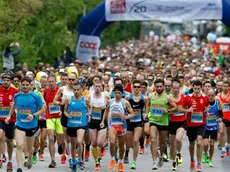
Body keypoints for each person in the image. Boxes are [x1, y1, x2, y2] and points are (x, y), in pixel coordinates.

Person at [5, 76, 45, 172]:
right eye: (23, 85)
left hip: (32, 125)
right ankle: (19, 168)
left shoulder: (35, 96)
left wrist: (33, 115)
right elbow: (14, 105)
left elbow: (43, 109)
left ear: (30, 86)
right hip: (20, 125)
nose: (25, 87)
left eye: (27, 85)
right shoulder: (17, 96)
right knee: (19, 145)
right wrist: (9, 116)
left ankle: (29, 158)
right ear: (20, 85)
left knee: (30, 148)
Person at [100, 84, 134, 172]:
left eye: (119, 93)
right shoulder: (111, 102)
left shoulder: (125, 102)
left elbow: (132, 114)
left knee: (121, 145)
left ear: (121, 93)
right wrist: (103, 121)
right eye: (116, 93)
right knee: (112, 142)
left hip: (122, 125)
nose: (117, 94)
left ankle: (121, 162)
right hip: (112, 125)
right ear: (113, 93)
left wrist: (126, 117)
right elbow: (106, 111)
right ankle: (112, 159)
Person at [148, 78, 177, 170]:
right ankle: (154, 162)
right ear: (155, 87)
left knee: (162, 144)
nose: (159, 88)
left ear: (163, 86)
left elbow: (176, 108)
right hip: (153, 121)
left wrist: (167, 110)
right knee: (153, 139)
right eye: (157, 87)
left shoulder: (168, 98)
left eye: (161, 86)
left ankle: (161, 156)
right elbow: (148, 105)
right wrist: (147, 113)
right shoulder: (151, 96)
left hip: (164, 123)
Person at [124, 79, 148, 170]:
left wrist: (145, 113)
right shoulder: (127, 97)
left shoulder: (144, 98)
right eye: (135, 87)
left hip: (138, 122)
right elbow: (123, 107)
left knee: (135, 140)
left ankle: (134, 161)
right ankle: (126, 153)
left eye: (139, 87)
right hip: (129, 122)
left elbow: (147, 108)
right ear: (132, 87)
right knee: (129, 143)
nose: (137, 88)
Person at [169, 79, 193, 170]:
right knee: (172, 145)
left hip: (182, 122)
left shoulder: (184, 97)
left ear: (180, 88)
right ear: (171, 89)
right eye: (174, 88)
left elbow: (192, 104)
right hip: (172, 122)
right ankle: (174, 161)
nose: (176, 89)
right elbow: (165, 110)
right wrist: (171, 111)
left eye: (177, 88)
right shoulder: (168, 98)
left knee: (178, 139)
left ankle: (179, 153)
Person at [85, 81, 110, 170]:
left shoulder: (105, 96)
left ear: (102, 87)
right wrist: (89, 114)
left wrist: (104, 120)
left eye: (99, 86)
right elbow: (87, 107)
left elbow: (107, 110)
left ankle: (103, 146)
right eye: (96, 86)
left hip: (101, 121)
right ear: (93, 87)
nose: (98, 88)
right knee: (94, 143)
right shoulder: (89, 96)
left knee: (99, 142)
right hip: (92, 121)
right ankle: (97, 161)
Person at [185, 80, 209, 172]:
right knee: (192, 145)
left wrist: (206, 111)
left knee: (199, 142)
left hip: (201, 124)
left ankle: (199, 164)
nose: (197, 91)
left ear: (201, 88)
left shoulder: (205, 98)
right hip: (190, 124)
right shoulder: (188, 98)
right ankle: (192, 159)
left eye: (199, 89)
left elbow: (207, 106)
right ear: (193, 87)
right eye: (195, 89)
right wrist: (188, 111)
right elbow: (183, 108)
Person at [64, 82, 88, 171]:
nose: (76, 91)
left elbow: (90, 108)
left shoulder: (85, 99)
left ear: (81, 90)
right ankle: (74, 161)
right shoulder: (69, 99)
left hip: (81, 124)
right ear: (72, 90)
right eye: (74, 90)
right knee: (73, 145)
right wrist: (67, 115)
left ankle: (80, 160)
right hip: (71, 124)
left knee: (79, 141)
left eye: (78, 89)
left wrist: (89, 114)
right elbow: (65, 111)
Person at [0, 73, 19, 171]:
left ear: (11, 82)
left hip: (11, 120)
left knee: (10, 142)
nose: (6, 82)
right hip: (0, 119)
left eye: (8, 80)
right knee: (0, 136)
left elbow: (20, 105)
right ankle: (1, 157)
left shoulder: (15, 92)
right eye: (4, 80)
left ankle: (10, 161)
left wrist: (14, 106)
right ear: (2, 81)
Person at [43, 75, 63, 168]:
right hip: (49, 117)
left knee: (60, 141)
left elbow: (64, 102)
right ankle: (53, 160)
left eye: (52, 81)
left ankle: (60, 145)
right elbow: (44, 104)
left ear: (55, 82)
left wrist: (62, 111)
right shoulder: (45, 91)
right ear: (47, 82)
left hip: (59, 117)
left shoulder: (60, 90)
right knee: (51, 138)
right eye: (49, 81)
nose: (51, 83)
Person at [202, 89, 223, 167]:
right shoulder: (204, 103)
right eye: (209, 95)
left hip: (214, 127)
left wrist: (220, 119)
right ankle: (204, 153)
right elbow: (200, 113)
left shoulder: (217, 104)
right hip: (205, 127)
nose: (210, 97)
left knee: (212, 144)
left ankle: (210, 159)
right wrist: (205, 112)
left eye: (212, 95)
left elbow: (221, 114)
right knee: (205, 143)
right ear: (207, 95)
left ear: (214, 96)